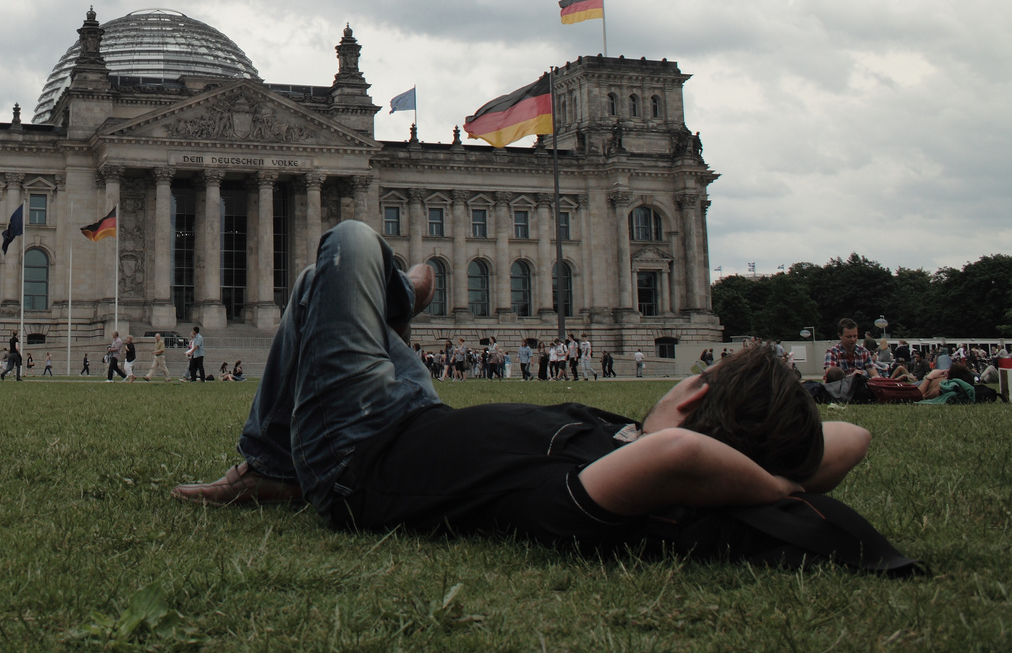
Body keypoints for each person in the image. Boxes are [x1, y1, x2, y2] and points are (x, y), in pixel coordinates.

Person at [171, 221, 909, 573]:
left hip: (356, 457)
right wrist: (781, 478)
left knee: (353, 245)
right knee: (314, 289)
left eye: (702, 381)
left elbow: (680, 455)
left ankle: (398, 297)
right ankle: (273, 465)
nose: (689, 379)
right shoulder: (635, 455)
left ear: (695, 418)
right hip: (414, 410)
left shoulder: (611, 489)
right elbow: (851, 438)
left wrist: (664, 441)